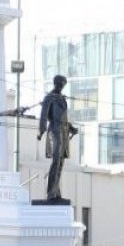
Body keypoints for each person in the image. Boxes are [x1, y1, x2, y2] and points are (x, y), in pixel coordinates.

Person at [38, 74, 79, 202]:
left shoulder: (62, 99)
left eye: (63, 84)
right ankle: (51, 192)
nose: (62, 86)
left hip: (63, 132)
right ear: (55, 83)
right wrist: (41, 130)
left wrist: (72, 128)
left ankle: (56, 191)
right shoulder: (49, 98)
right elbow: (44, 116)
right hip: (54, 132)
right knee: (56, 161)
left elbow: (64, 118)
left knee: (60, 163)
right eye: (60, 83)